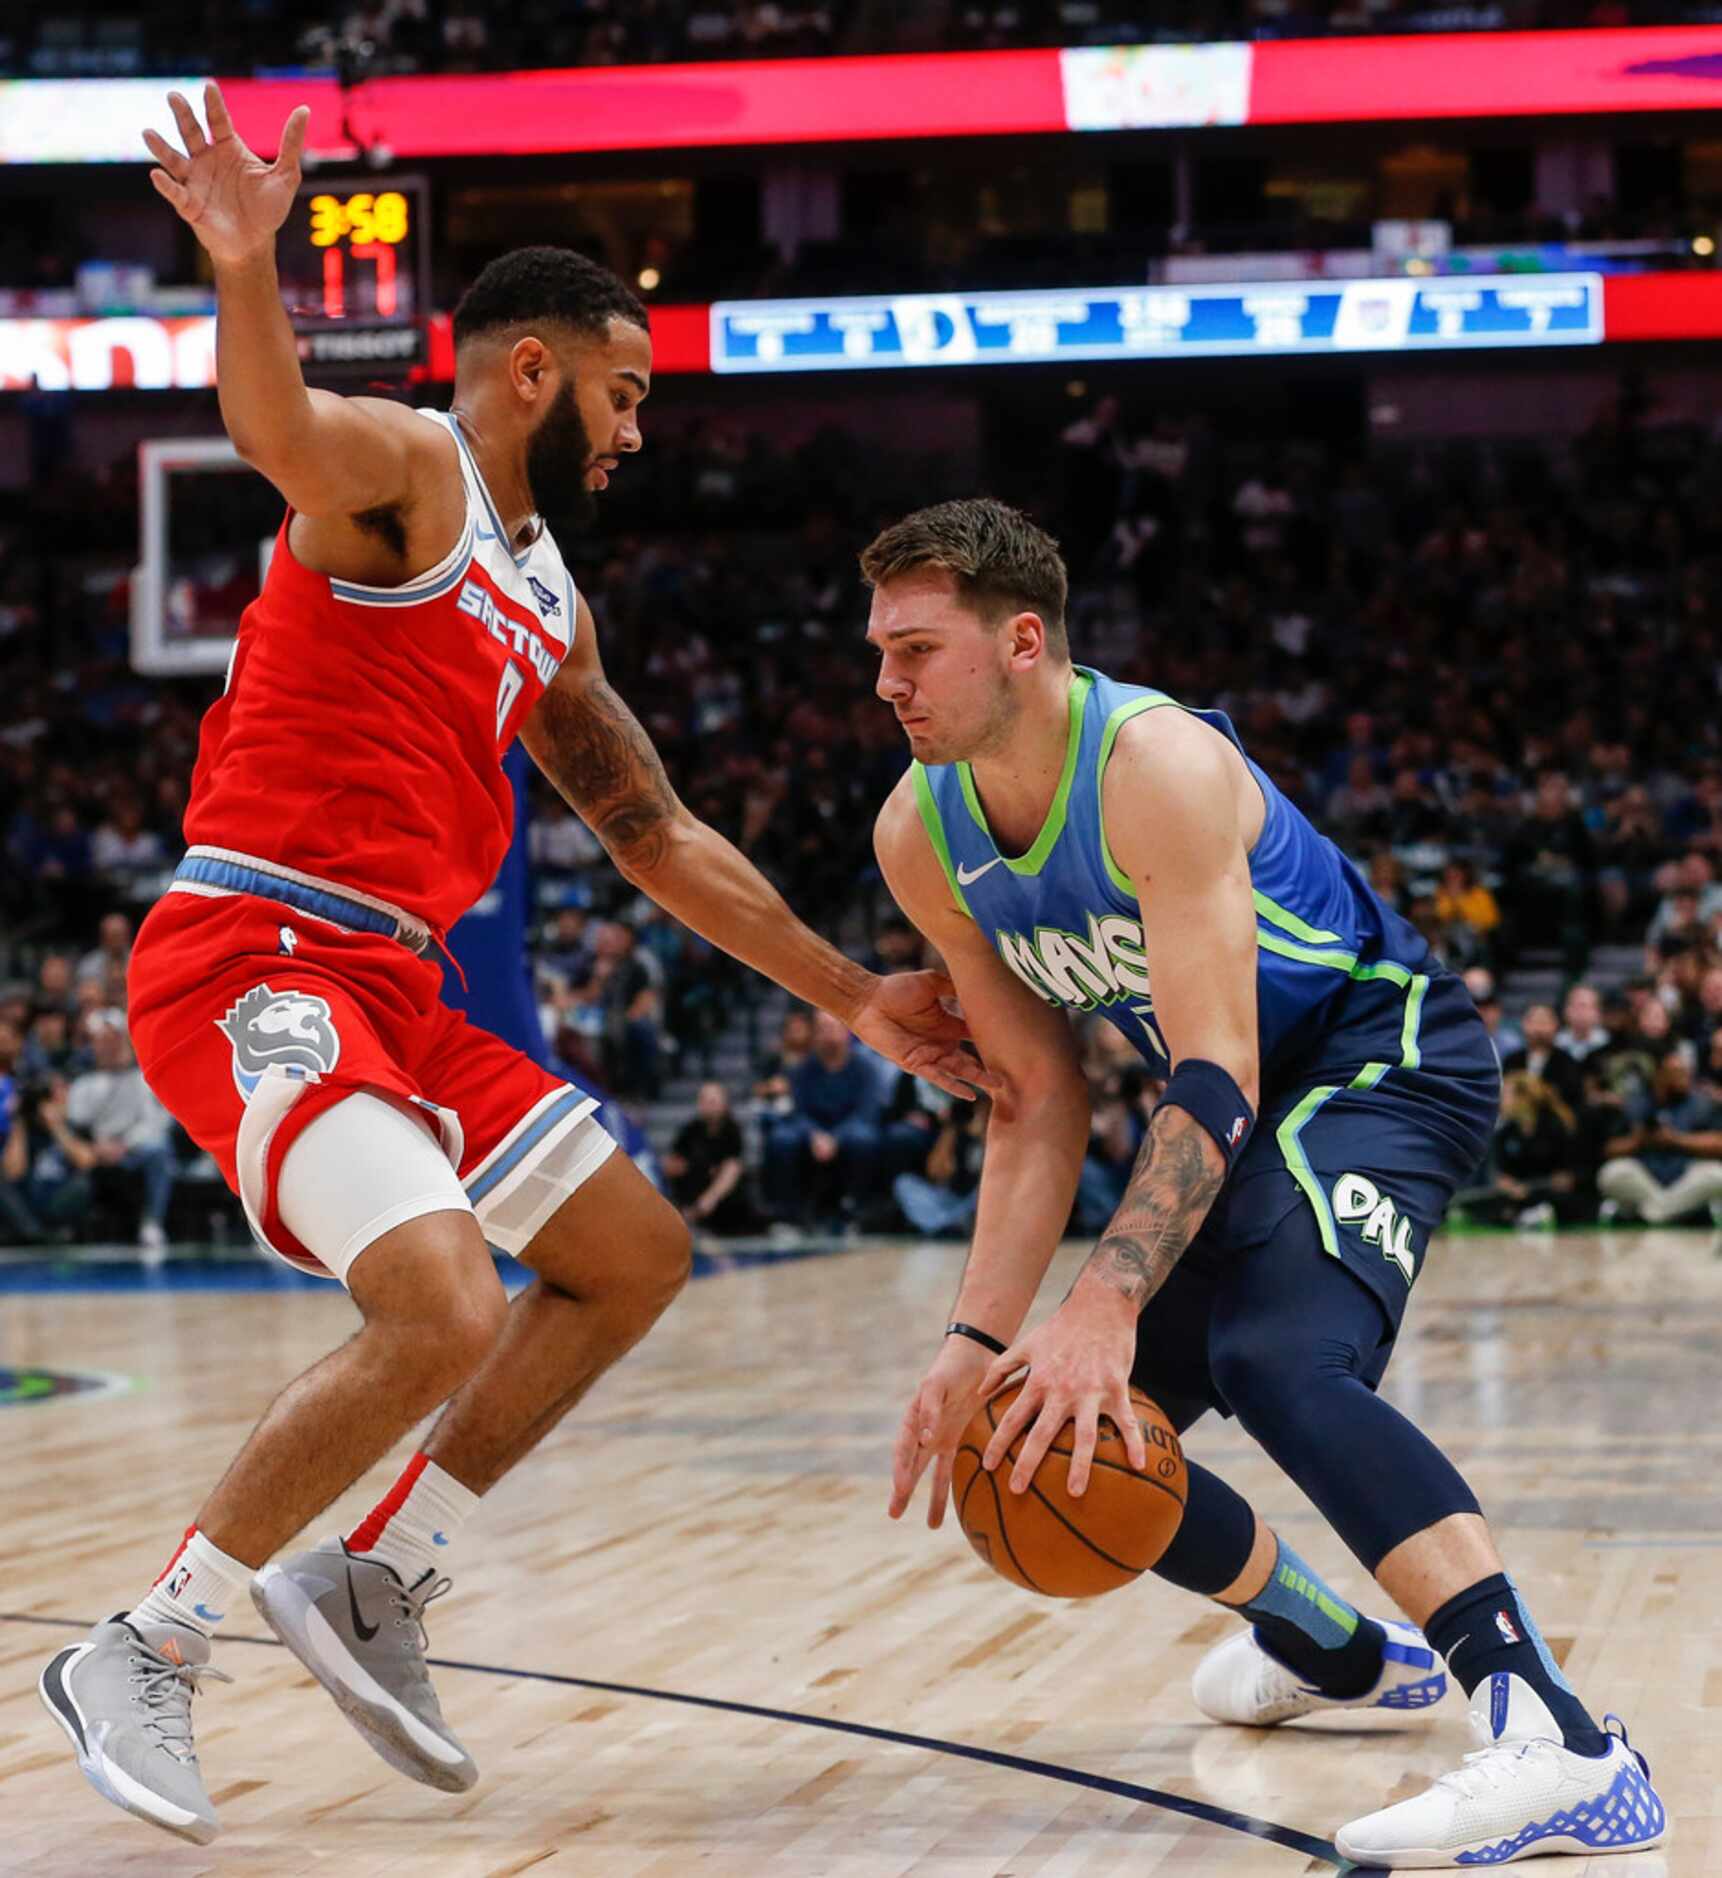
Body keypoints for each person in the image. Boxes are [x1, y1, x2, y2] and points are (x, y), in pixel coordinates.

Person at [39, 86, 989, 1849]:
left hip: (397, 986)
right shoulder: (405, 471)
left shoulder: (550, 601)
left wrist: (851, 994)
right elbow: (270, 421)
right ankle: (140, 1643)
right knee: (442, 1303)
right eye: (626, 392)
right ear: (537, 370)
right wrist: (246, 268)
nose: (638, 433)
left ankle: (376, 1565)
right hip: (257, 946)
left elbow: (657, 831)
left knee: (628, 1253)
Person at [865, 499, 1663, 1868]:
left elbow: (1217, 1068)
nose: (886, 683)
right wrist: (974, 1340)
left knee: (1279, 1354)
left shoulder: (1151, 765)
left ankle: (1560, 1740)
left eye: (916, 650)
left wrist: (1109, 1289)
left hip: (1372, 1052)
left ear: (1020, 642)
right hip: (1230, 1102)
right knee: (1036, 1432)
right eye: (877, 650)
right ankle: (1330, 1645)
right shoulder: (918, 831)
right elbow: (1038, 1099)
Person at [1596, 1048, 1722, 1225]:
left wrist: (1676, 1139)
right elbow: (1609, 1149)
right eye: (1678, 1073)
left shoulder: (1702, 1103)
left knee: (1717, 1175)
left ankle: (1654, 1214)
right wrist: (1638, 1140)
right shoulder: (1634, 1103)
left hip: (1686, 1176)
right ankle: (1670, 1212)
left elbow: (1718, 1144)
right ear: (1659, 1076)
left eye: (1687, 1072)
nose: (1685, 1078)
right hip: (1645, 1177)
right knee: (1611, 1173)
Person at [662, 1081, 756, 1235]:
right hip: (693, 1190)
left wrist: (708, 1200)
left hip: (722, 1200)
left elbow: (733, 1166)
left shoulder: (732, 1131)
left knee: (730, 1171)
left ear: (724, 1104)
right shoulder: (690, 1130)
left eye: (713, 1101)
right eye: (704, 1101)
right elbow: (673, 1161)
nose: (708, 1106)